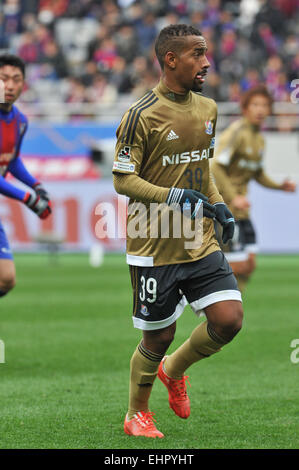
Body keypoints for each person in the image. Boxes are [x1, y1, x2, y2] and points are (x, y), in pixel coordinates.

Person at [112, 24, 243, 439]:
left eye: (205, 53)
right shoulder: (140, 115)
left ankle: (174, 371)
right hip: (154, 241)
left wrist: (219, 205)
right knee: (160, 334)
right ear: (171, 59)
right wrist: (172, 198)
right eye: (197, 54)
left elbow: (202, 173)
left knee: (229, 320)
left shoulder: (208, 109)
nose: (207, 62)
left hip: (198, 238)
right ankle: (137, 414)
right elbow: (122, 180)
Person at [211, 85, 296, 293]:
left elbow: (257, 173)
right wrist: (233, 197)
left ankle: (231, 311)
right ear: (246, 108)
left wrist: (279, 186)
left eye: (265, 105)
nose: (260, 110)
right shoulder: (236, 132)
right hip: (226, 209)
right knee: (236, 265)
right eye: (255, 105)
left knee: (249, 264)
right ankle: (217, 308)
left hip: (242, 210)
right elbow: (215, 166)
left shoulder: (259, 139)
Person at [0, 54, 52, 298]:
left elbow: (12, 160)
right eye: (3, 79)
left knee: (6, 278)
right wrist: (27, 198)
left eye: (15, 79)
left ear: (23, 84)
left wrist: (36, 185)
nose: (9, 85)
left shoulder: (19, 121)